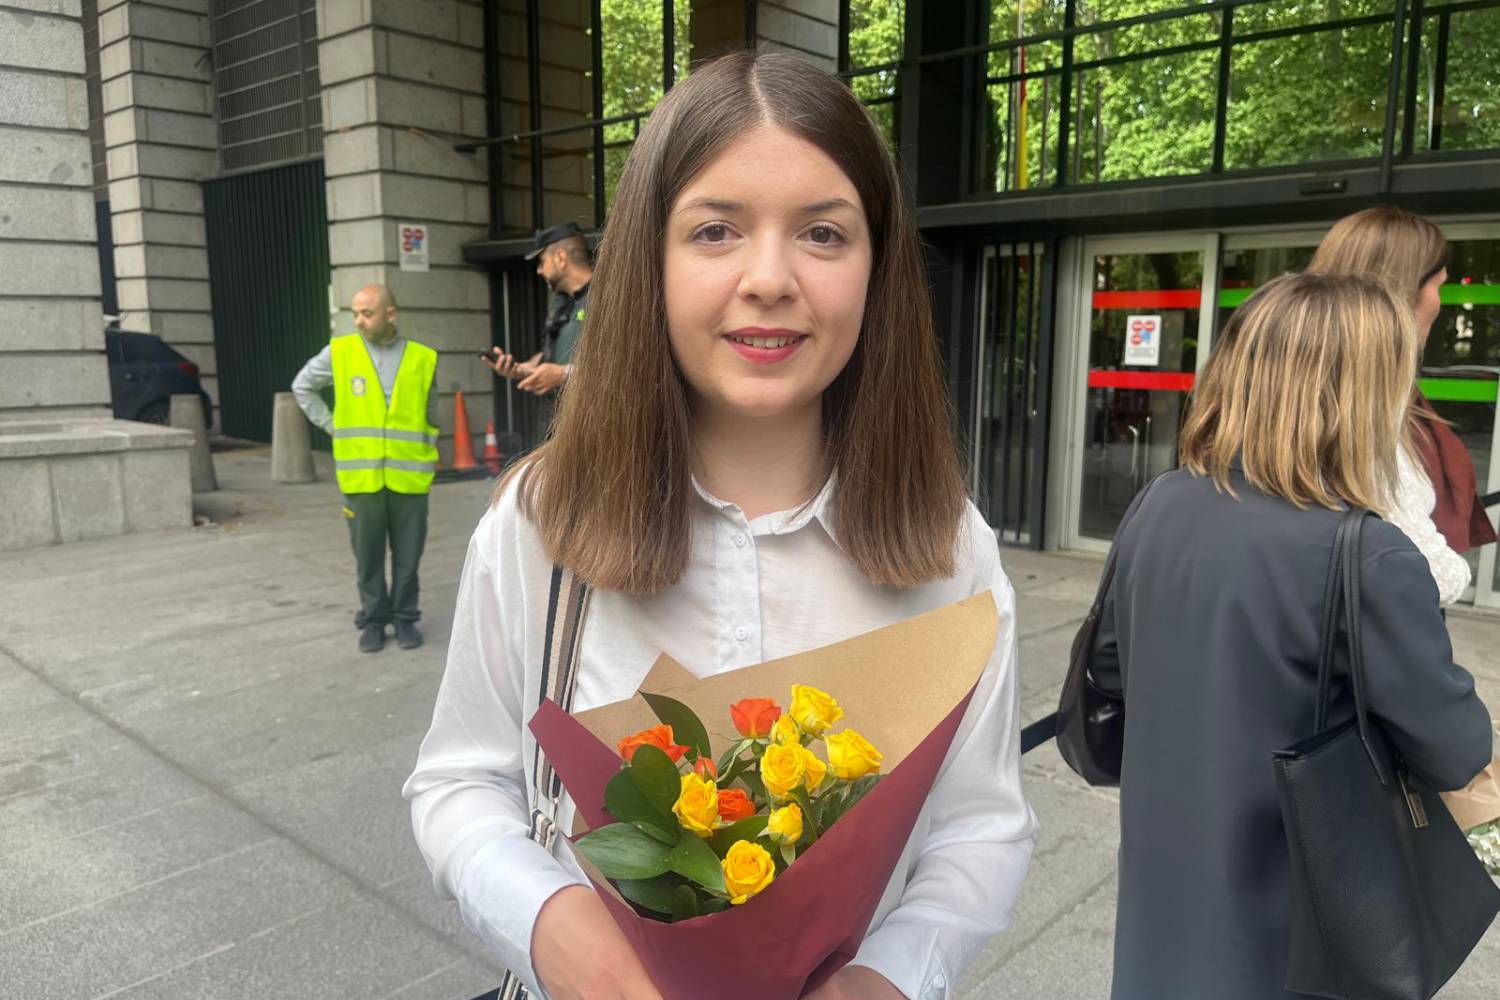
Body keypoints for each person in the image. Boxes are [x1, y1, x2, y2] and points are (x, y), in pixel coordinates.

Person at [404, 51, 1037, 1000]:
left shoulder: (950, 546)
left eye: (824, 233)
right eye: (715, 231)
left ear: (877, 266)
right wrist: (552, 927)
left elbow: (980, 826)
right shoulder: (542, 522)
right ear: (649, 262)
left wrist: (895, 974)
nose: (771, 278)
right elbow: (459, 781)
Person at [1086, 272, 1491, 1000]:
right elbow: (1456, 745)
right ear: (1366, 395)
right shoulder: (1368, 553)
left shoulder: (1160, 501)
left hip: (1163, 877)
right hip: (1294, 910)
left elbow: (1109, 667)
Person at [1309, 205, 1498, 603]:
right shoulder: (1366, 405)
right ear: (1404, 290)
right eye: (1439, 285)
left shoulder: (1304, 386)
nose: (1440, 303)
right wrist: (1457, 567)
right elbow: (1427, 574)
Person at [291, 284, 439, 653]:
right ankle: (373, 620)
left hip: (410, 477)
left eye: (366, 313)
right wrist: (332, 426)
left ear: (390, 314)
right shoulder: (340, 352)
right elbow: (302, 386)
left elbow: (432, 414)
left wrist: (429, 448)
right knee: (368, 556)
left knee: (408, 557)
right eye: (354, 313)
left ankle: (405, 619)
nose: (358, 320)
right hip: (362, 477)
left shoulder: (423, 358)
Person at [483, 221, 593, 397]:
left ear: (561, 258)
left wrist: (563, 375)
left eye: (541, 262)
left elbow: (621, 367)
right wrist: (521, 369)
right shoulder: (561, 302)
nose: (539, 271)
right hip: (555, 417)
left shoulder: (607, 299)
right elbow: (551, 355)